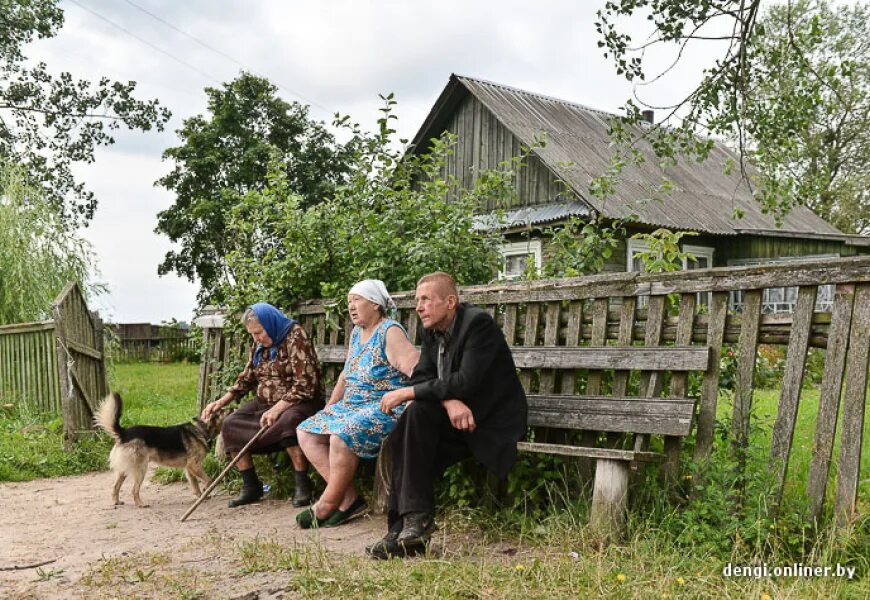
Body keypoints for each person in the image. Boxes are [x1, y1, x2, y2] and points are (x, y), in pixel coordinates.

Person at [366, 272, 527, 558]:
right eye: (417, 300)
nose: (418, 307)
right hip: (459, 418)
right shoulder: (432, 330)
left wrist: (409, 393)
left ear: (450, 301)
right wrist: (450, 401)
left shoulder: (478, 325)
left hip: (488, 421)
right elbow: (423, 377)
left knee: (413, 414)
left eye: (426, 299)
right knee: (409, 425)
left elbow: (467, 381)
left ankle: (408, 524)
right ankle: (408, 525)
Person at [296, 280, 419, 528]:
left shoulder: (390, 331)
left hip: (383, 405)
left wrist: (410, 397)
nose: (351, 306)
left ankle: (327, 504)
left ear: (375, 304)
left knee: (341, 435)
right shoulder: (356, 333)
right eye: (349, 301)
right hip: (352, 405)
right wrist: (330, 405)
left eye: (357, 300)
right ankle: (348, 498)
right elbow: (346, 373)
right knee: (306, 431)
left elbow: (416, 368)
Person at [201, 302, 323, 508]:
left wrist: (278, 408)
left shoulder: (296, 336)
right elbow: (248, 377)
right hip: (265, 402)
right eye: (252, 334)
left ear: (270, 323)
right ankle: (251, 486)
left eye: (258, 333)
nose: (256, 338)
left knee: (289, 421)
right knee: (230, 423)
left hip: (300, 401)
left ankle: (303, 484)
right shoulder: (259, 345)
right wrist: (221, 402)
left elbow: (305, 385)